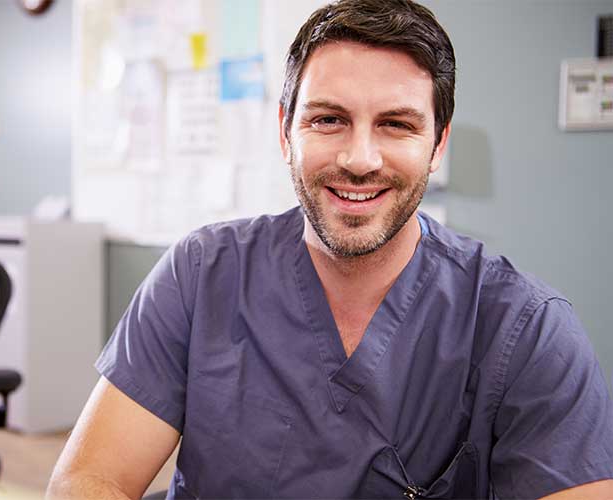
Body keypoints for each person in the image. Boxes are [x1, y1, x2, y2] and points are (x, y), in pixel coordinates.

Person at [47, 1, 613, 498]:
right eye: (328, 119)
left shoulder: (528, 331)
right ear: (285, 131)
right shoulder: (200, 274)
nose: (360, 158)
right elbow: (87, 482)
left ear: (438, 143)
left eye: (396, 124)